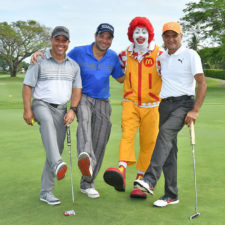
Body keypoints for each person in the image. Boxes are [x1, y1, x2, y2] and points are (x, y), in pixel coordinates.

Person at [31, 23, 124, 198]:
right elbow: (59, 54)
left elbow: (121, 78)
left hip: (103, 101)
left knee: (101, 140)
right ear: (95, 35)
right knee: (85, 124)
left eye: (108, 37)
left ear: (111, 40)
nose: (104, 40)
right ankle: (86, 156)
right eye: (101, 36)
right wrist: (40, 55)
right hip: (83, 98)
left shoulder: (112, 57)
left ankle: (87, 182)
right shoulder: (79, 52)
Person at [134, 22, 207, 207]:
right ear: (163, 38)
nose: (171, 39)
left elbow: (202, 83)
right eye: (167, 36)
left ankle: (149, 180)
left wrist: (195, 110)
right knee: (169, 151)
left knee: (165, 133)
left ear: (181, 36)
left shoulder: (191, 54)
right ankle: (171, 195)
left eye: (174, 35)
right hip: (164, 105)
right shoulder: (162, 58)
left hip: (184, 103)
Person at [103, 17, 163, 199]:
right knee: (127, 135)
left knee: (148, 143)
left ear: (150, 34)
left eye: (144, 31)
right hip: (130, 103)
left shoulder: (160, 55)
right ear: (131, 34)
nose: (140, 35)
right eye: (137, 31)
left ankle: (140, 180)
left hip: (152, 106)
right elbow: (119, 74)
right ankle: (121, 170)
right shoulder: (124, 55)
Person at [23, 26, 82, 205]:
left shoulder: (73, 65)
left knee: (55, 148)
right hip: (41, 104)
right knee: (47, 123)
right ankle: (57, 163)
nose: (60, 43)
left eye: (64, 40)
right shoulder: (39, 60)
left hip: (62, 109)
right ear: (51, 40)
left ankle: (46, 192)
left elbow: (77, 89)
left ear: (68, 43)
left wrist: (73, 110)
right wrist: (27, 110)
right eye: (57, 40)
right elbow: (27, 86)